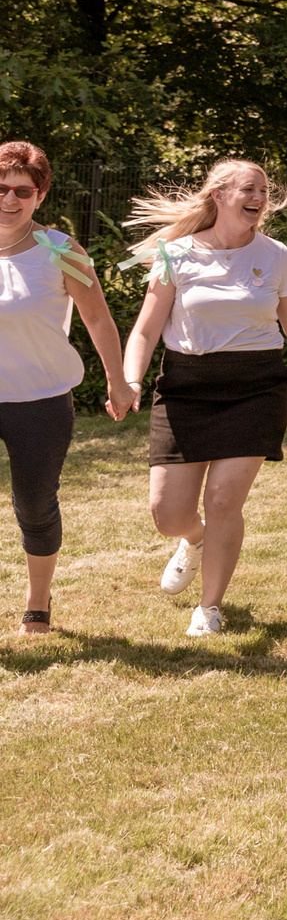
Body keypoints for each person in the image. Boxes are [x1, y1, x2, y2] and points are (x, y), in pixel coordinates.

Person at [120, 159, 287, 635]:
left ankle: (208, 608)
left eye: (264, 191)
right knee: (169, 514)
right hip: (185, 386)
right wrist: (131, 380)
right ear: (219, 195)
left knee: (225, 500)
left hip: (255, 386)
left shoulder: (275, 254)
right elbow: (145, 330)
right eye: (249, 189)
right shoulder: (176, 253)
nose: (259, 198)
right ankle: (192, 540)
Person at [0, 141, 136, 636]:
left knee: (34, 504)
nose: (8, 199)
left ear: (40, 195)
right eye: (0, 188)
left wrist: (118, 382)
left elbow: (97, 316)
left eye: (22, 190)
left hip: (39, 399)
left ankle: (38, 601)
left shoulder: (61, 249)